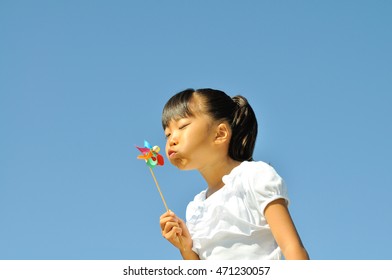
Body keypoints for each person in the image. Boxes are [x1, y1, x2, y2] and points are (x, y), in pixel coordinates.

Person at [159, 88, 309, 260]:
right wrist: (185, 248)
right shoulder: (195, 208)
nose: (172, 139)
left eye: (182, 126)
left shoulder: (253, 176)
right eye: (167, 134)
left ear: (220, 133)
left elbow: (292, 247)